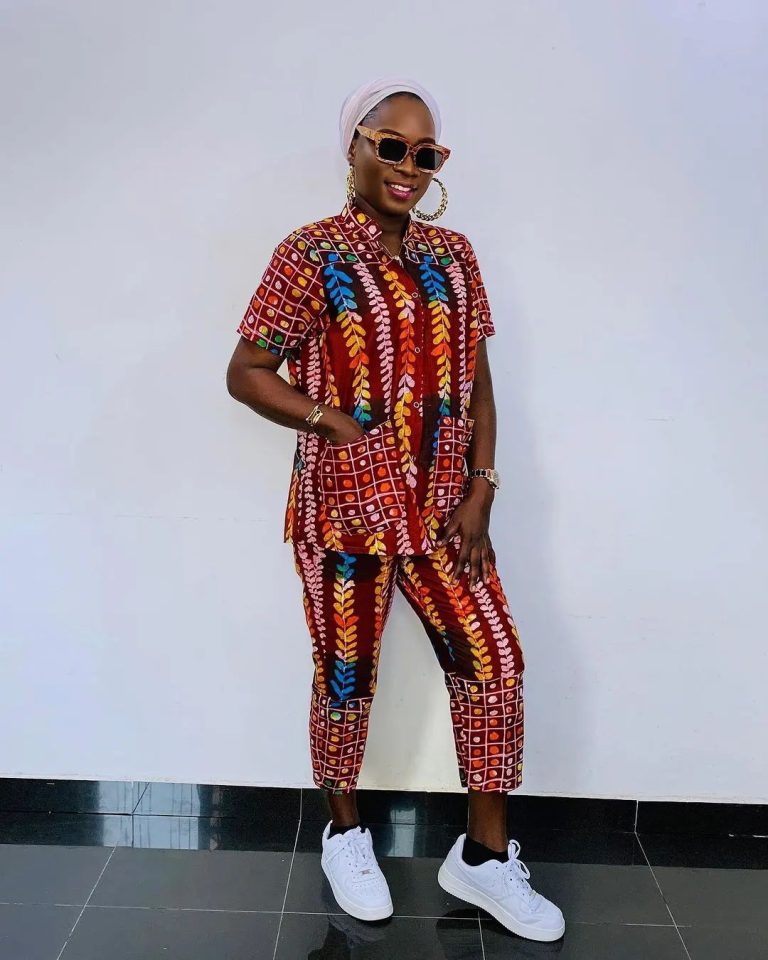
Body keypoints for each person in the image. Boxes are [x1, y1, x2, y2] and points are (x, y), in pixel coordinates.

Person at [226, 76, 565, 943]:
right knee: (346, 676)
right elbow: (247, 371)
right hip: (345, 510)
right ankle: (345, 835)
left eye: (426, 153)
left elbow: (478, 386)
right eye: (391, 146)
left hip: (445, 512)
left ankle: (483, 857)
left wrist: (482, 487)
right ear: (355, 148)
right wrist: (333, 422)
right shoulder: (311, 253)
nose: (408, 166)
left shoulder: (455, 256)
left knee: (494, 663)